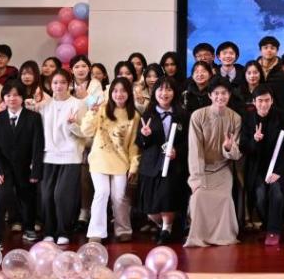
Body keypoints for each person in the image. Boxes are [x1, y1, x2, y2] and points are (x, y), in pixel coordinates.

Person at [80, 77, 140, 243]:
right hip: (99, 160)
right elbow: (86, 131)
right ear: (110, 93)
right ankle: (96, 233)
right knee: (101, 193)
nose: (119, 94)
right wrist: (92, 112)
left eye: (123, 91)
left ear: (129, 94)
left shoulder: (134, 115)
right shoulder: (101, 109)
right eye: (115, 91)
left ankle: (123, 229)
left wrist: (134, 166)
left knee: (119, 196)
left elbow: (134, 144)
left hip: (121, 162)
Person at [185, 80, 244, 247]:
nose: (220, 97)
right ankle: (199, 236)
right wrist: (196, 178)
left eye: (224, 93)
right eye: (216, 93)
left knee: (225, 198)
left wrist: (228, 147)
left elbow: (236, 153)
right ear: (210, 95)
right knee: (198, 197)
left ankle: (222, 236)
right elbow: (195, 150)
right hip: (202, 169)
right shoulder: (198, 116)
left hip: (223, 169)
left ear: (229, 95)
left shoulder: (235, 118)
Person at [0, 80, 45, 246]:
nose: (12, 98)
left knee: (27, 197)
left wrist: (36, 170)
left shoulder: (33, 118)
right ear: (3, 98)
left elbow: (38, 145)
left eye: (16, 95)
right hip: (3, 166)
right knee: (1, 196)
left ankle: (29, 228)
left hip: (25, 165)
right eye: (8, 95)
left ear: (22, 97)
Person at [136, 76, 190, 244]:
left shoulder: (182, 115)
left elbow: (188, 141)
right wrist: (145, 136)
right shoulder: (147, 115)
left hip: (174, 165)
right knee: (151, 209)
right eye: (160, 89)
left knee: (167, 197)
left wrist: (177, 151)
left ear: (175, 93)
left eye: (169, 89)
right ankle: (163, 226)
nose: (164, 93)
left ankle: (167, 228)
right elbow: (140, 143)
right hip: (151, 165)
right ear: (154, 92)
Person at [240, 86, 284, 246]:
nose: (264, 104)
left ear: (272, 101)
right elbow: (244, 147)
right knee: (260, 195)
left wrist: (279, 171)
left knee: (276, 193)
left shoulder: (281, 116)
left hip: (277, 166)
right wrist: (255, 140)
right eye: (260, 101)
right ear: (254, 102)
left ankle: (273, 231)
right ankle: (268, 223)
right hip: (257, 168)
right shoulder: (248, 119)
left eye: (267, 100)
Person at [39, 69, 88, 245]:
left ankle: (64, 231)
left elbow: (85, 133)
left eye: (62, 82)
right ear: (50, 85)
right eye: (55, 82)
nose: (58, 86)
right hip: (48, 155)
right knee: (46, 195)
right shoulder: (45, 105)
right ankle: (49, 231)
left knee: (61, 195)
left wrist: (73, 125)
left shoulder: (78, 104)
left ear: (69, 84)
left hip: (70, 155)